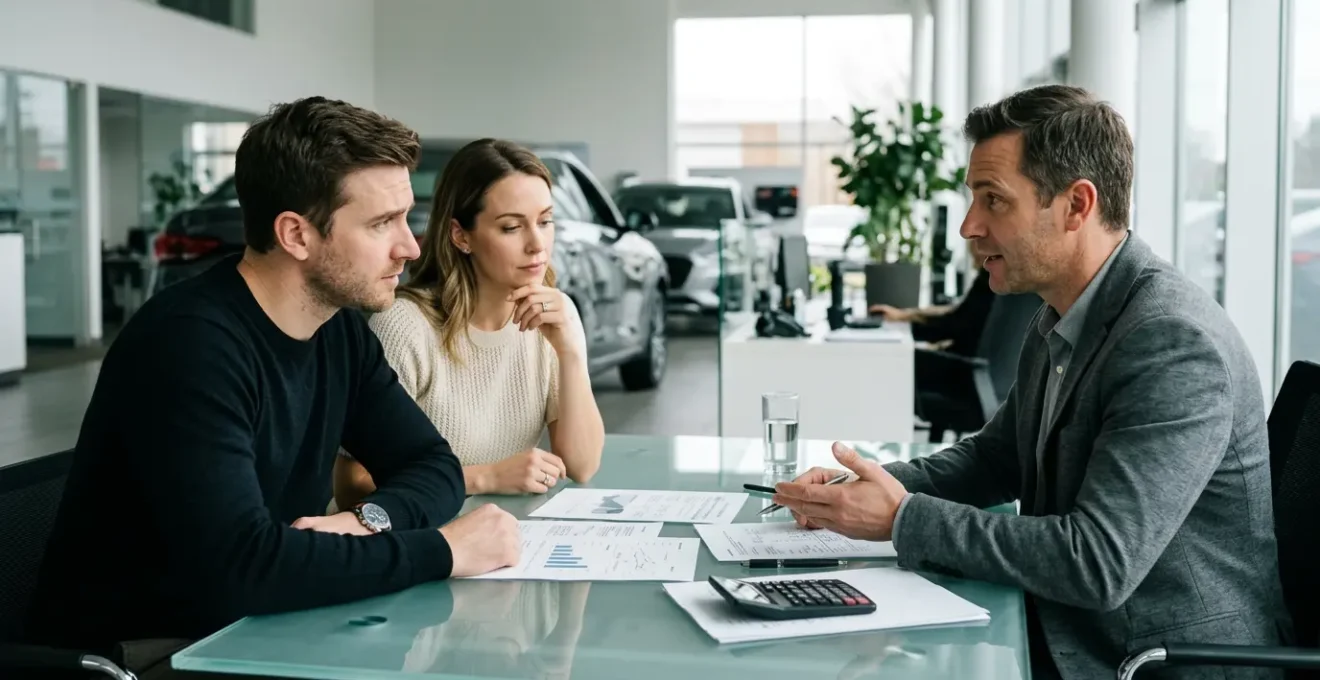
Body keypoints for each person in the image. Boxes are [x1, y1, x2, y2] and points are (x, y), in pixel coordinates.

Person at [772, 84, 1289, 680]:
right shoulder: (1062, 316)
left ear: (1076, 205)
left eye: (994, 200)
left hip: (1155, 664)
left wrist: (901, 518)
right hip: (1074, 633)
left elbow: (1097, 562)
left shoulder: (1171, 342)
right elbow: (996, 458)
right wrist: (860, 488)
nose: (969, 226)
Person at [25, 97, 522, 679]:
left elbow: (433, 464)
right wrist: (445, 550)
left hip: (261, 626)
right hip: (146, 653)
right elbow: (243, 568)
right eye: (381, 223)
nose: (410, 247)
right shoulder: (189, 345)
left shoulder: (338, 331)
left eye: (405, 217)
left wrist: (369, 520)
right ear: (295, 234)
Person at [332, 139, 604, 506]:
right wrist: (485, 477)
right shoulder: (405, 327)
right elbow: (352, 484)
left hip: (506, 534)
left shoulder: (552, 316)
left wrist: (570, 350)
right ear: (461, 236)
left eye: (545, 221)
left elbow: (581, 465)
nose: (537, 244)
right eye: (512, 227)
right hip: (420, 534)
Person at [869, 262, 993, 354]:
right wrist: (903, 315)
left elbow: (954, 324)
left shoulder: (990, 275)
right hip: (967, 364)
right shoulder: (994, 274)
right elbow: (957, 312)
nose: (972, 264)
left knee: (888, 354)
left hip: (960, 368)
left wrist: (909, 323)